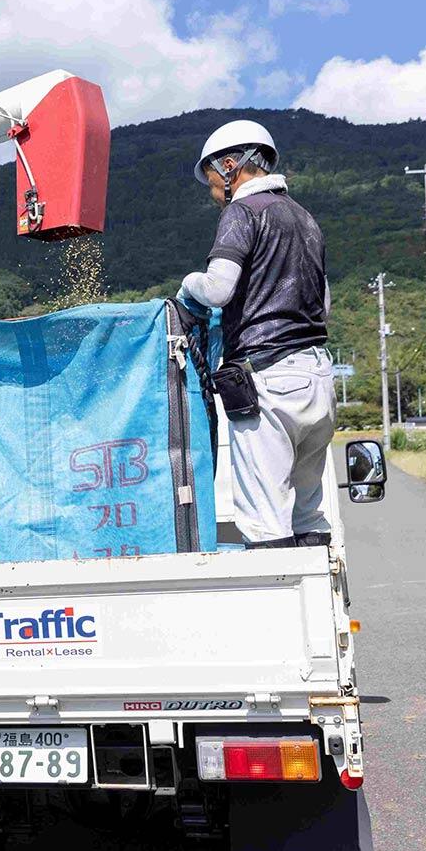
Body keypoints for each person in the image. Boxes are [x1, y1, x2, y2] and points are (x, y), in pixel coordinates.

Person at [177, 120, 335, 549]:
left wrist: (186, 286)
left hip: (269, 381)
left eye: (212, 182)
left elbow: (217, 289)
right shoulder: (305, 218)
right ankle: (318, 604)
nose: (213, 194)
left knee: (265, 523)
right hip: (318, 380)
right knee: (308, 512)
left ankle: (284, 611)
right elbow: (325, 304)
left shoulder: (242, 213)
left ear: (230, 167)